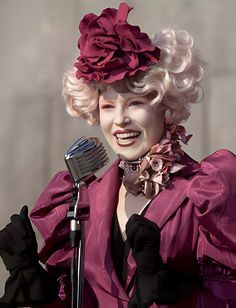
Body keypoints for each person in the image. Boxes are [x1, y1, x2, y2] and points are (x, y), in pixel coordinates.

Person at [0, 2, 236, 308]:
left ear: (165, 107)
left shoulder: (207, 193)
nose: (120, 120)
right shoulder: (83, 199)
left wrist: (177, 294)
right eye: (108, 106)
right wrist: (36, 284)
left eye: (135, 102)